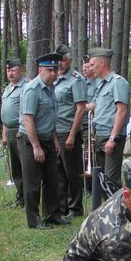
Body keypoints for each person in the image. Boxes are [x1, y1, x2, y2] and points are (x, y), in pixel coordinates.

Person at [18, 53, 66, 229]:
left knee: (52, 180)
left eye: (56, 70)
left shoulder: (51, 88)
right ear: (40, 70)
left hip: (47, 139)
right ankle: (34, 220)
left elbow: (49, 117)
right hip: (32, 141)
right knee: (32, 183)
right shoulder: (32, 90)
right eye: (49, 70)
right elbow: (28, 120)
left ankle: (53, 214)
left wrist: (53, 139)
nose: (53, 74)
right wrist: (36, 147)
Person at [84, 48, 129, 185]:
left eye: (92, 65)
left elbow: (121, 111)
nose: (90, 69)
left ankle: (117, 207)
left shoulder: (117, 82)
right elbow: (94, 105)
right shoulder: (101, 84)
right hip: (99, 136)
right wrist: (75, 107)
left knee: (111, 180)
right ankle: (108, 206)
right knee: (102, 179)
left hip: (111, 138)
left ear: (102, 63)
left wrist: (112, 138)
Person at [53, 45, 88, 220]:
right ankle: (62, 207)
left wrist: (73, 135)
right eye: (57, 61)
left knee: (72, 172)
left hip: (69, 132)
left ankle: (75, 208)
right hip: (56, 133)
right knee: (59, 172)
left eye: (63, 60)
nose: (60, 64)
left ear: (69, 60)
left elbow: (80, 109)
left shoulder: (76, 80)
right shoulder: (54, 80)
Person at [1, 58, 26, 208]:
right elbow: (5, 114)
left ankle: (28, 197)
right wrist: (4, 134)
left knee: (25, 166)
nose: (10, 73)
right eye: (8, 70)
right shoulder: (8, 88)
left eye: (13, 70)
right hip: (9, 131)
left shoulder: (26, 87)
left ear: (20, 70)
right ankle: (20, 196)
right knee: (16, 167)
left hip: (20, 130)